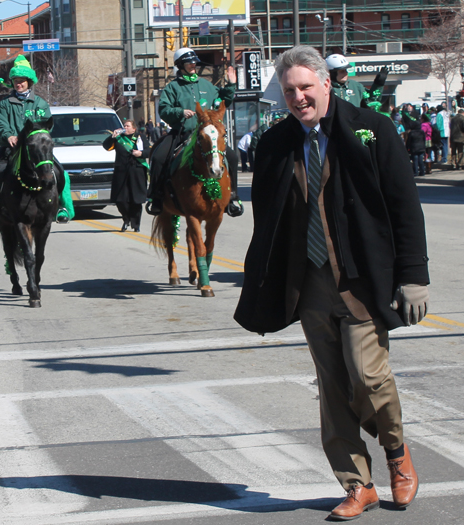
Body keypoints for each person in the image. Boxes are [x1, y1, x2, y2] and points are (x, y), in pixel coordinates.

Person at [234, 45, 429, 521]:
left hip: (363, 278)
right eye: (290, 90)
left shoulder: (372, 130)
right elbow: (270, 220)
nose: (299, 97)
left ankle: (397, 453)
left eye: (306, 86)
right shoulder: (276, 143)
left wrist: (414, 276)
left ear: (326, 83)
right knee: (332, 384)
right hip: (311, 281)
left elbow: (404, 206)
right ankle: (356, 484)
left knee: (367, 376)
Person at [147, 47, 243, 217]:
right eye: (189, 62)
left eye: (194, 62)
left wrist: (231, 85)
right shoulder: (173, 87)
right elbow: (163, 109)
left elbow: (223, 101)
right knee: (158, 156)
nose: (193, 65)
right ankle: (156, 197)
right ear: (180, 65)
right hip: (182, 133)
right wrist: (180, 112)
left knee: (233, 157)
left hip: (206, 135)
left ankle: (233, 197)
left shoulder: (206, 85)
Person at [0, 55, 73, 223]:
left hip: (36, 149)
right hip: (12, 148)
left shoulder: (40, 104)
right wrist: (8, 136)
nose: (18, 83)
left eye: (21, 80)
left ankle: (62, 206)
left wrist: (36, 139)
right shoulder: (4, 104)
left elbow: (46, 125)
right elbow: (0, 125)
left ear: (29, 81)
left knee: (59, 170)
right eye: (15, 80)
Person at [103, 120, 150, 232]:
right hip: (121, 172)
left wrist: (141, 154)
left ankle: (136, 224)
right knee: (120, 200)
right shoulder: (119, 138)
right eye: (124, 126)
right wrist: (112, 137)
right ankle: (126, 219)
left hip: (137, 172)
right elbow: (106, 146)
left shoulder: (140, 137)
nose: (125, 127)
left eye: (127, 126)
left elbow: (148, 151)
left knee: (136, 200)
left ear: (134, 129)